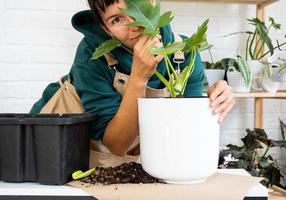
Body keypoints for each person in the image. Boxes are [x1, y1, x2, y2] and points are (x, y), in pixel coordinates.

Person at [30, 0, 235, 167]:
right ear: (106, 28)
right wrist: (138, 77)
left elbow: (186, 129)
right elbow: (116, 145)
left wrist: (212, 100)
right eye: (117, 19)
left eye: (136, 7)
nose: (134, 26)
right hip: (50, 142)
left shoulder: (185, 52)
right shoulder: (90, 55)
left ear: (153, 2)